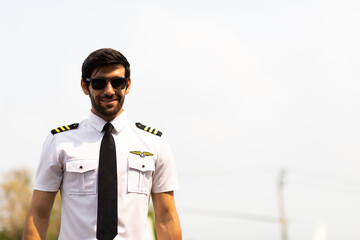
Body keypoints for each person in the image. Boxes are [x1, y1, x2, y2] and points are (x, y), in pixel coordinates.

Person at [23, 48, 181, 240]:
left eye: (117, 82)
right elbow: (38, 214)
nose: (109, 91)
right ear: (84, 86)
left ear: (128, 85)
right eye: (99, 83)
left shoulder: (154, 143)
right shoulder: (60, 142)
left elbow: (166, 218)